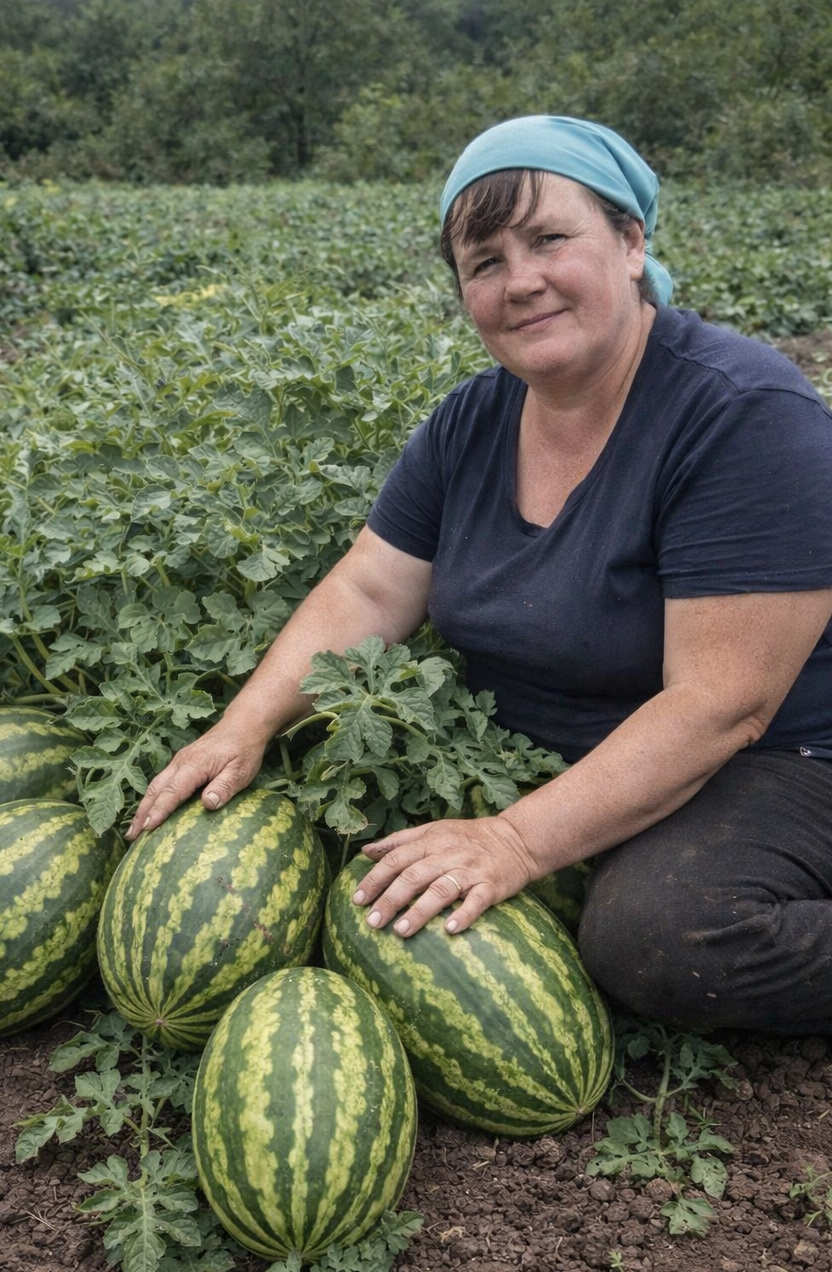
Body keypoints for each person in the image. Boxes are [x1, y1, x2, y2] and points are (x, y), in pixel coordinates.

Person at [128, 115, 832, 1034]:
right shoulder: (471, 421)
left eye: (550, 239)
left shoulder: (742, 414)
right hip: (574, 758)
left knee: (661, 934)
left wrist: (515, 841)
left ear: (630, 242)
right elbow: (370, 589)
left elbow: (721, 705)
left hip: (782, 758)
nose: (520, 281)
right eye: (485, 261)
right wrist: (245, 723)